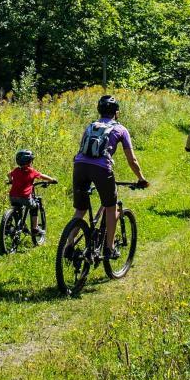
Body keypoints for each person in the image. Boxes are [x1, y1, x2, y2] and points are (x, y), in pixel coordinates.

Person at [72, 94, 148, 259]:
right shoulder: (121, 129)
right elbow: (132, 160)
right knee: (111, 207)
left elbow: (82, 149)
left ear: (99, 111)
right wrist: (141, 178)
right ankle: (109, 248)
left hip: (79, 166)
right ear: (116, 112)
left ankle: (68, 245)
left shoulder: (91, 126)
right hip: (101, 169)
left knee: (80, 209)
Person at [8, 149, 56, 242]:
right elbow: (41, 176)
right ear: (30, 161)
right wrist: (52, 180)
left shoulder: (16, 170)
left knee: (17, 209)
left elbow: (9, 174)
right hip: (25, 198)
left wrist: (11, 181)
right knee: (35, 206)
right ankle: (35, 228)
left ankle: (10, 225)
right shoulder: (31, 171)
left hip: (12, 197)